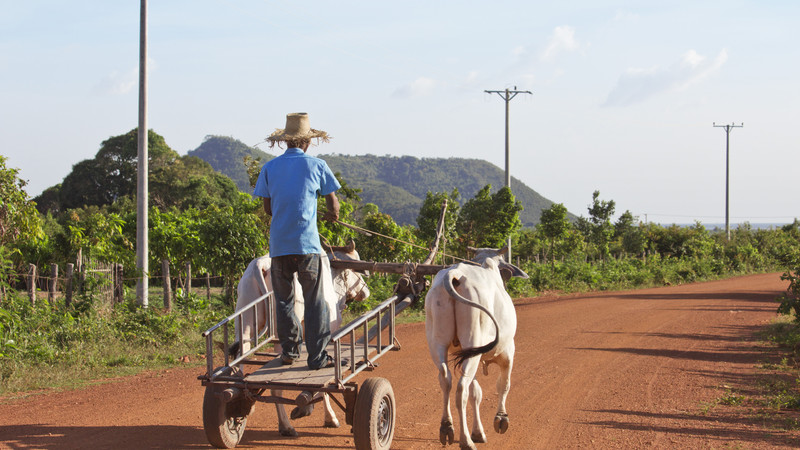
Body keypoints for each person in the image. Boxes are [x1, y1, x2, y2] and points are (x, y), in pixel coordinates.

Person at [253, 112, 341, 370]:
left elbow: (268, 208)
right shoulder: (318, 165)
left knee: (284, 301)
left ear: (285, 142)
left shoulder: (269, 167)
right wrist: (331, 214)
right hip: (307, 246)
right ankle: (317, 357)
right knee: (315, 302)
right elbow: (332, 202)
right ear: (308, 142)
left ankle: (289, 352)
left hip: (279, 247)